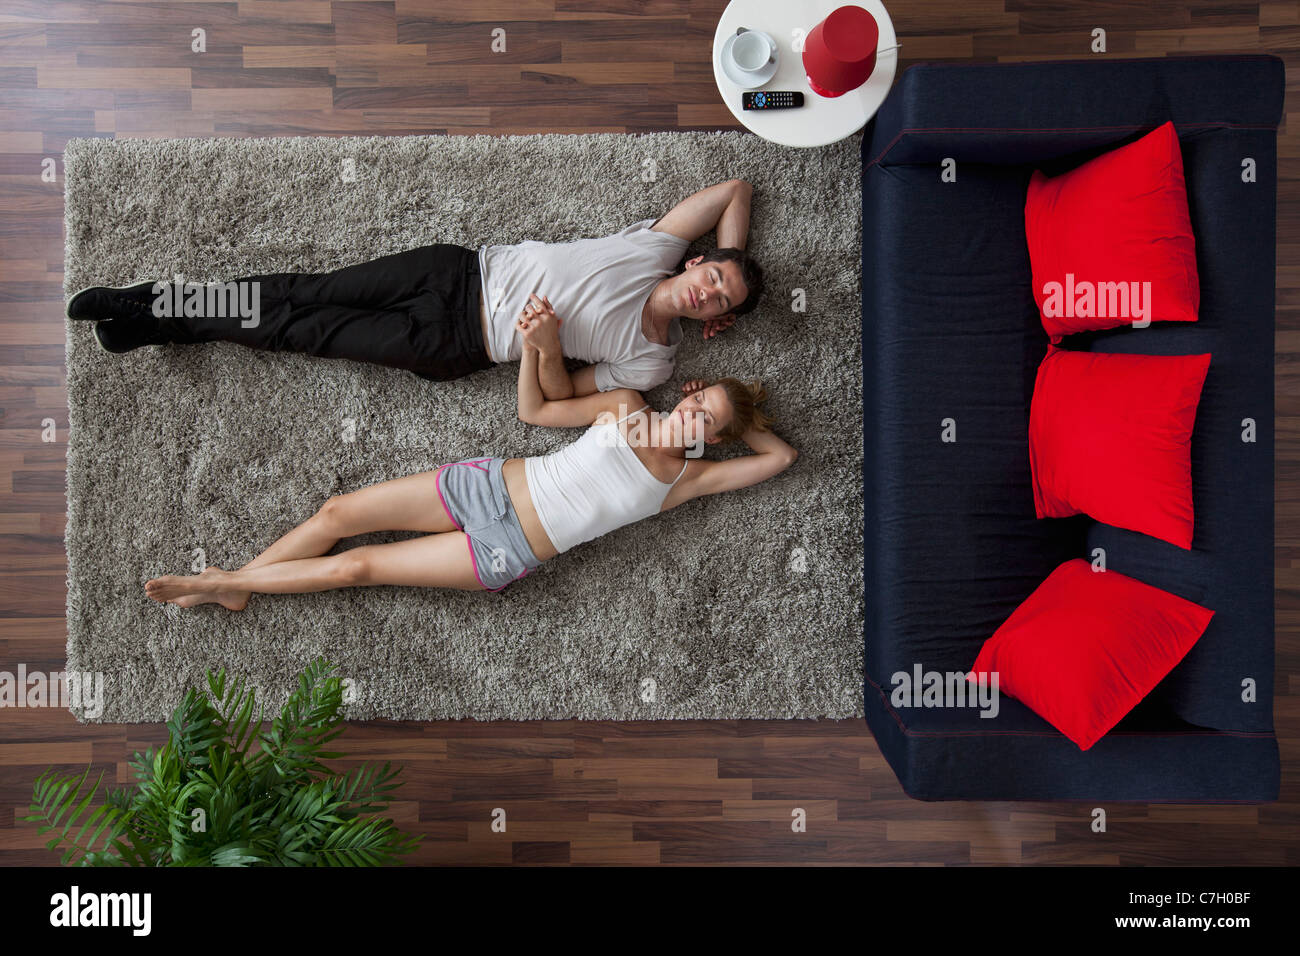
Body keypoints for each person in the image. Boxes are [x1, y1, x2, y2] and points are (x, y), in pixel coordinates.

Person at [143, 293, 796, 607]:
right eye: (695, 402)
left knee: (358, 568)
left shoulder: (686, 481)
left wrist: (742, 416)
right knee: (337, 514)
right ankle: (229, 589)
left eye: (704, 423)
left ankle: (224, 582)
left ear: (712, 440)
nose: (690, 418)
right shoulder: (626, 405)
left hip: (503, 549)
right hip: (483, 485)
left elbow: (779, 459)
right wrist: (536, 349)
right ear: (687, 392)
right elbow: (534, 411)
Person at [68, 180, 765, 398]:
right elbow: (737, 188)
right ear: (694, 262)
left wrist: (544, 349)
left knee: (300, 328)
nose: (708, 291)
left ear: (716, 321)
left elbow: (557, 401)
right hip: (455, 271)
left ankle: (155, 320)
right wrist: (738, 254)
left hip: (453, 342)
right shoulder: (656, 249)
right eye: (713, 276)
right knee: (302, 288)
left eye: (720, 299)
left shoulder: (655, 363)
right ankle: (153, 300)